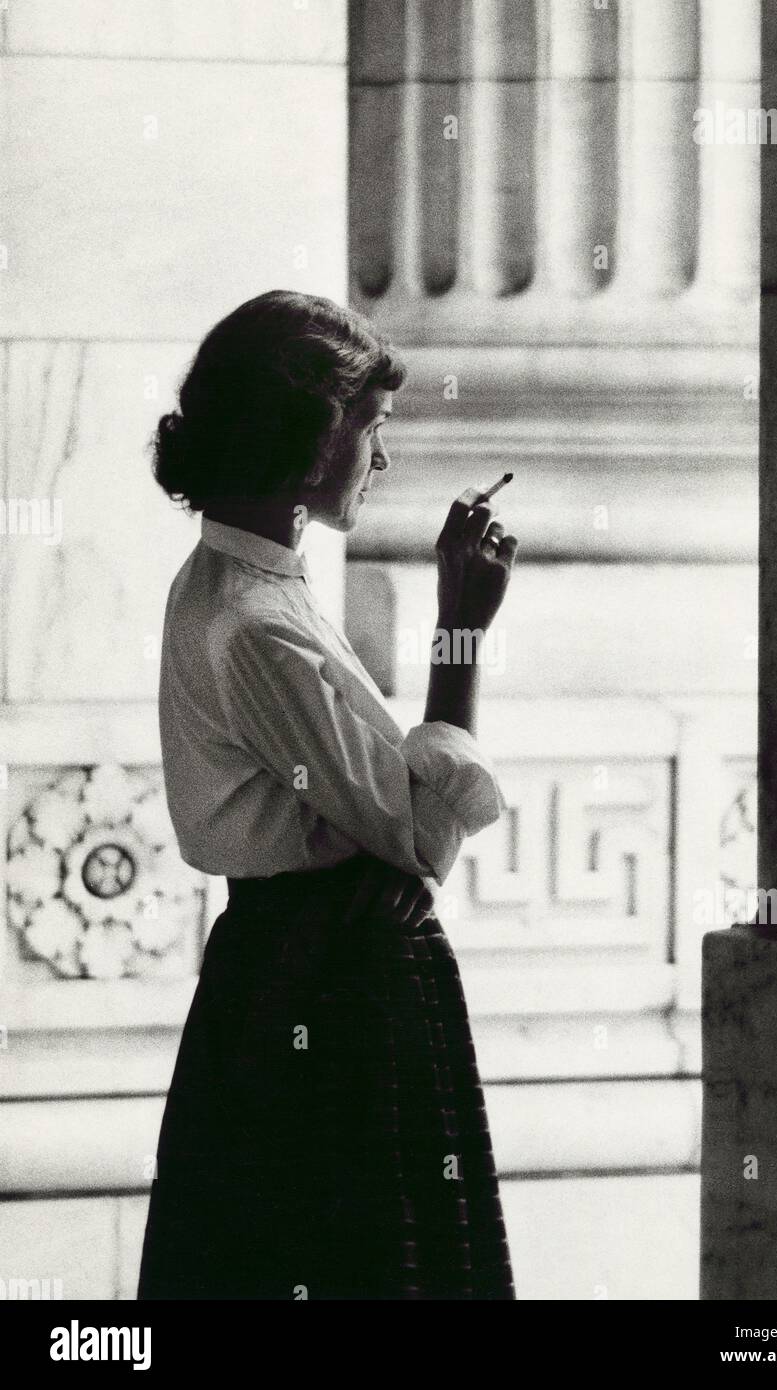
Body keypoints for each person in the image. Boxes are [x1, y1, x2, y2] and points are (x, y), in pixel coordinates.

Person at [136, 290, 518, 1300]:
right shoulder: (258, 620)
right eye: (372, 431)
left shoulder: (236, 581)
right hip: (330, 985)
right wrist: (460, 629)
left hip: (292, 971)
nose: (381, 459)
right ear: (311, 444)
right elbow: (416, 833)